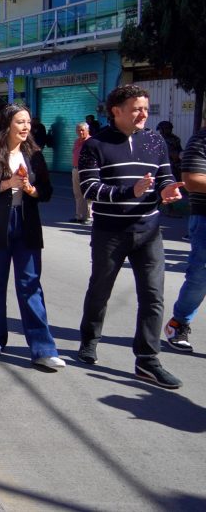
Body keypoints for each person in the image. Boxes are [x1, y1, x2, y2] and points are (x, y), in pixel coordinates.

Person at [76, 84, 185, 388]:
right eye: (137, 108)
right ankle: (89, 339)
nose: (143, 114)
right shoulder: (95, 145)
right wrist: (130, 191)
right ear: (117, 111)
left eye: (146, 109)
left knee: (153, 296)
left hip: (148, 231)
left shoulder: (154, 141)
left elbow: (165, 177)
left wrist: (168, 191)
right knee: (100, 290)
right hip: (110, 232)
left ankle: (148, 360)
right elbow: (89, 190)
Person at [0, 104, 65, 370]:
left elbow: (46, 192)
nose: (26, 127)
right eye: (20, 122)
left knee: (30, 284)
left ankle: (43, 348)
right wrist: (7, 184)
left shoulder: (34, 153)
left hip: (26, 224)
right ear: (7, 125)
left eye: (28, 122)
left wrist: (29, 188)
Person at [163, 125, 206, 353]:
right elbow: (191, 180)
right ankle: (178, 323)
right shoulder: (200, 141)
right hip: (205, 218)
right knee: (200, 276)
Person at [69, 123, 92, 224]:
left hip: (87, 170)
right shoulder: (77, 141)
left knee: (88, 193)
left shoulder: (92, 142)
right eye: (78, 130)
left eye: (82, 130)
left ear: (87, 130)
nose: (80, 132)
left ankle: (89, 217)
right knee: (78, 193)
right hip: (76, 169)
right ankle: (79, 216)